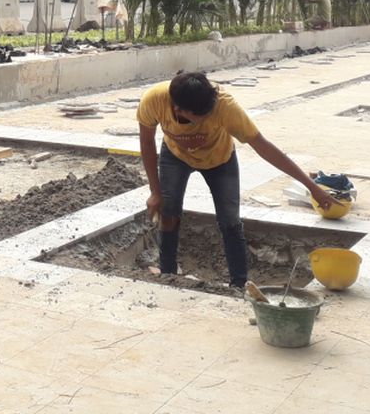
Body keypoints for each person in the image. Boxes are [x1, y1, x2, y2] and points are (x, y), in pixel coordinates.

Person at [138, 71, 336, 289]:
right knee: (168, 213)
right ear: (179, 109)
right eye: (202, 116)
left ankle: (239, 285)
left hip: (220, 159)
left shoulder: (224, 105)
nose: (209, 117)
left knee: (230, 221)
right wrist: (155, 192)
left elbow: (262, 145)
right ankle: (168, 276)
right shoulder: (154, 100)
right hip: (175, 156)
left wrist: (312, 187)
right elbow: (147, 143)